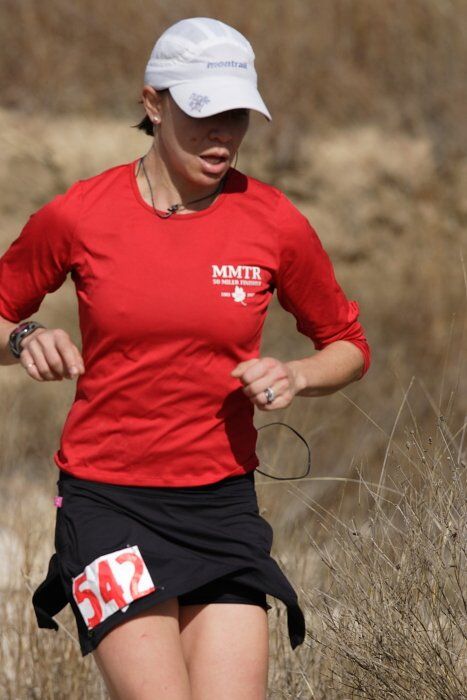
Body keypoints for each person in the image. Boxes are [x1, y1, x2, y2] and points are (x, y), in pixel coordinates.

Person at [0, 17, 370, 700]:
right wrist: (23, 338)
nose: (221, 134)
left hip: (221, 508)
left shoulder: (273, 221)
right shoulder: (79, 215)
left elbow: (347, 347)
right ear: (153, 103)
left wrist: (296, 374)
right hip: (106, 505)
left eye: (236, 115)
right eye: (202, 113)